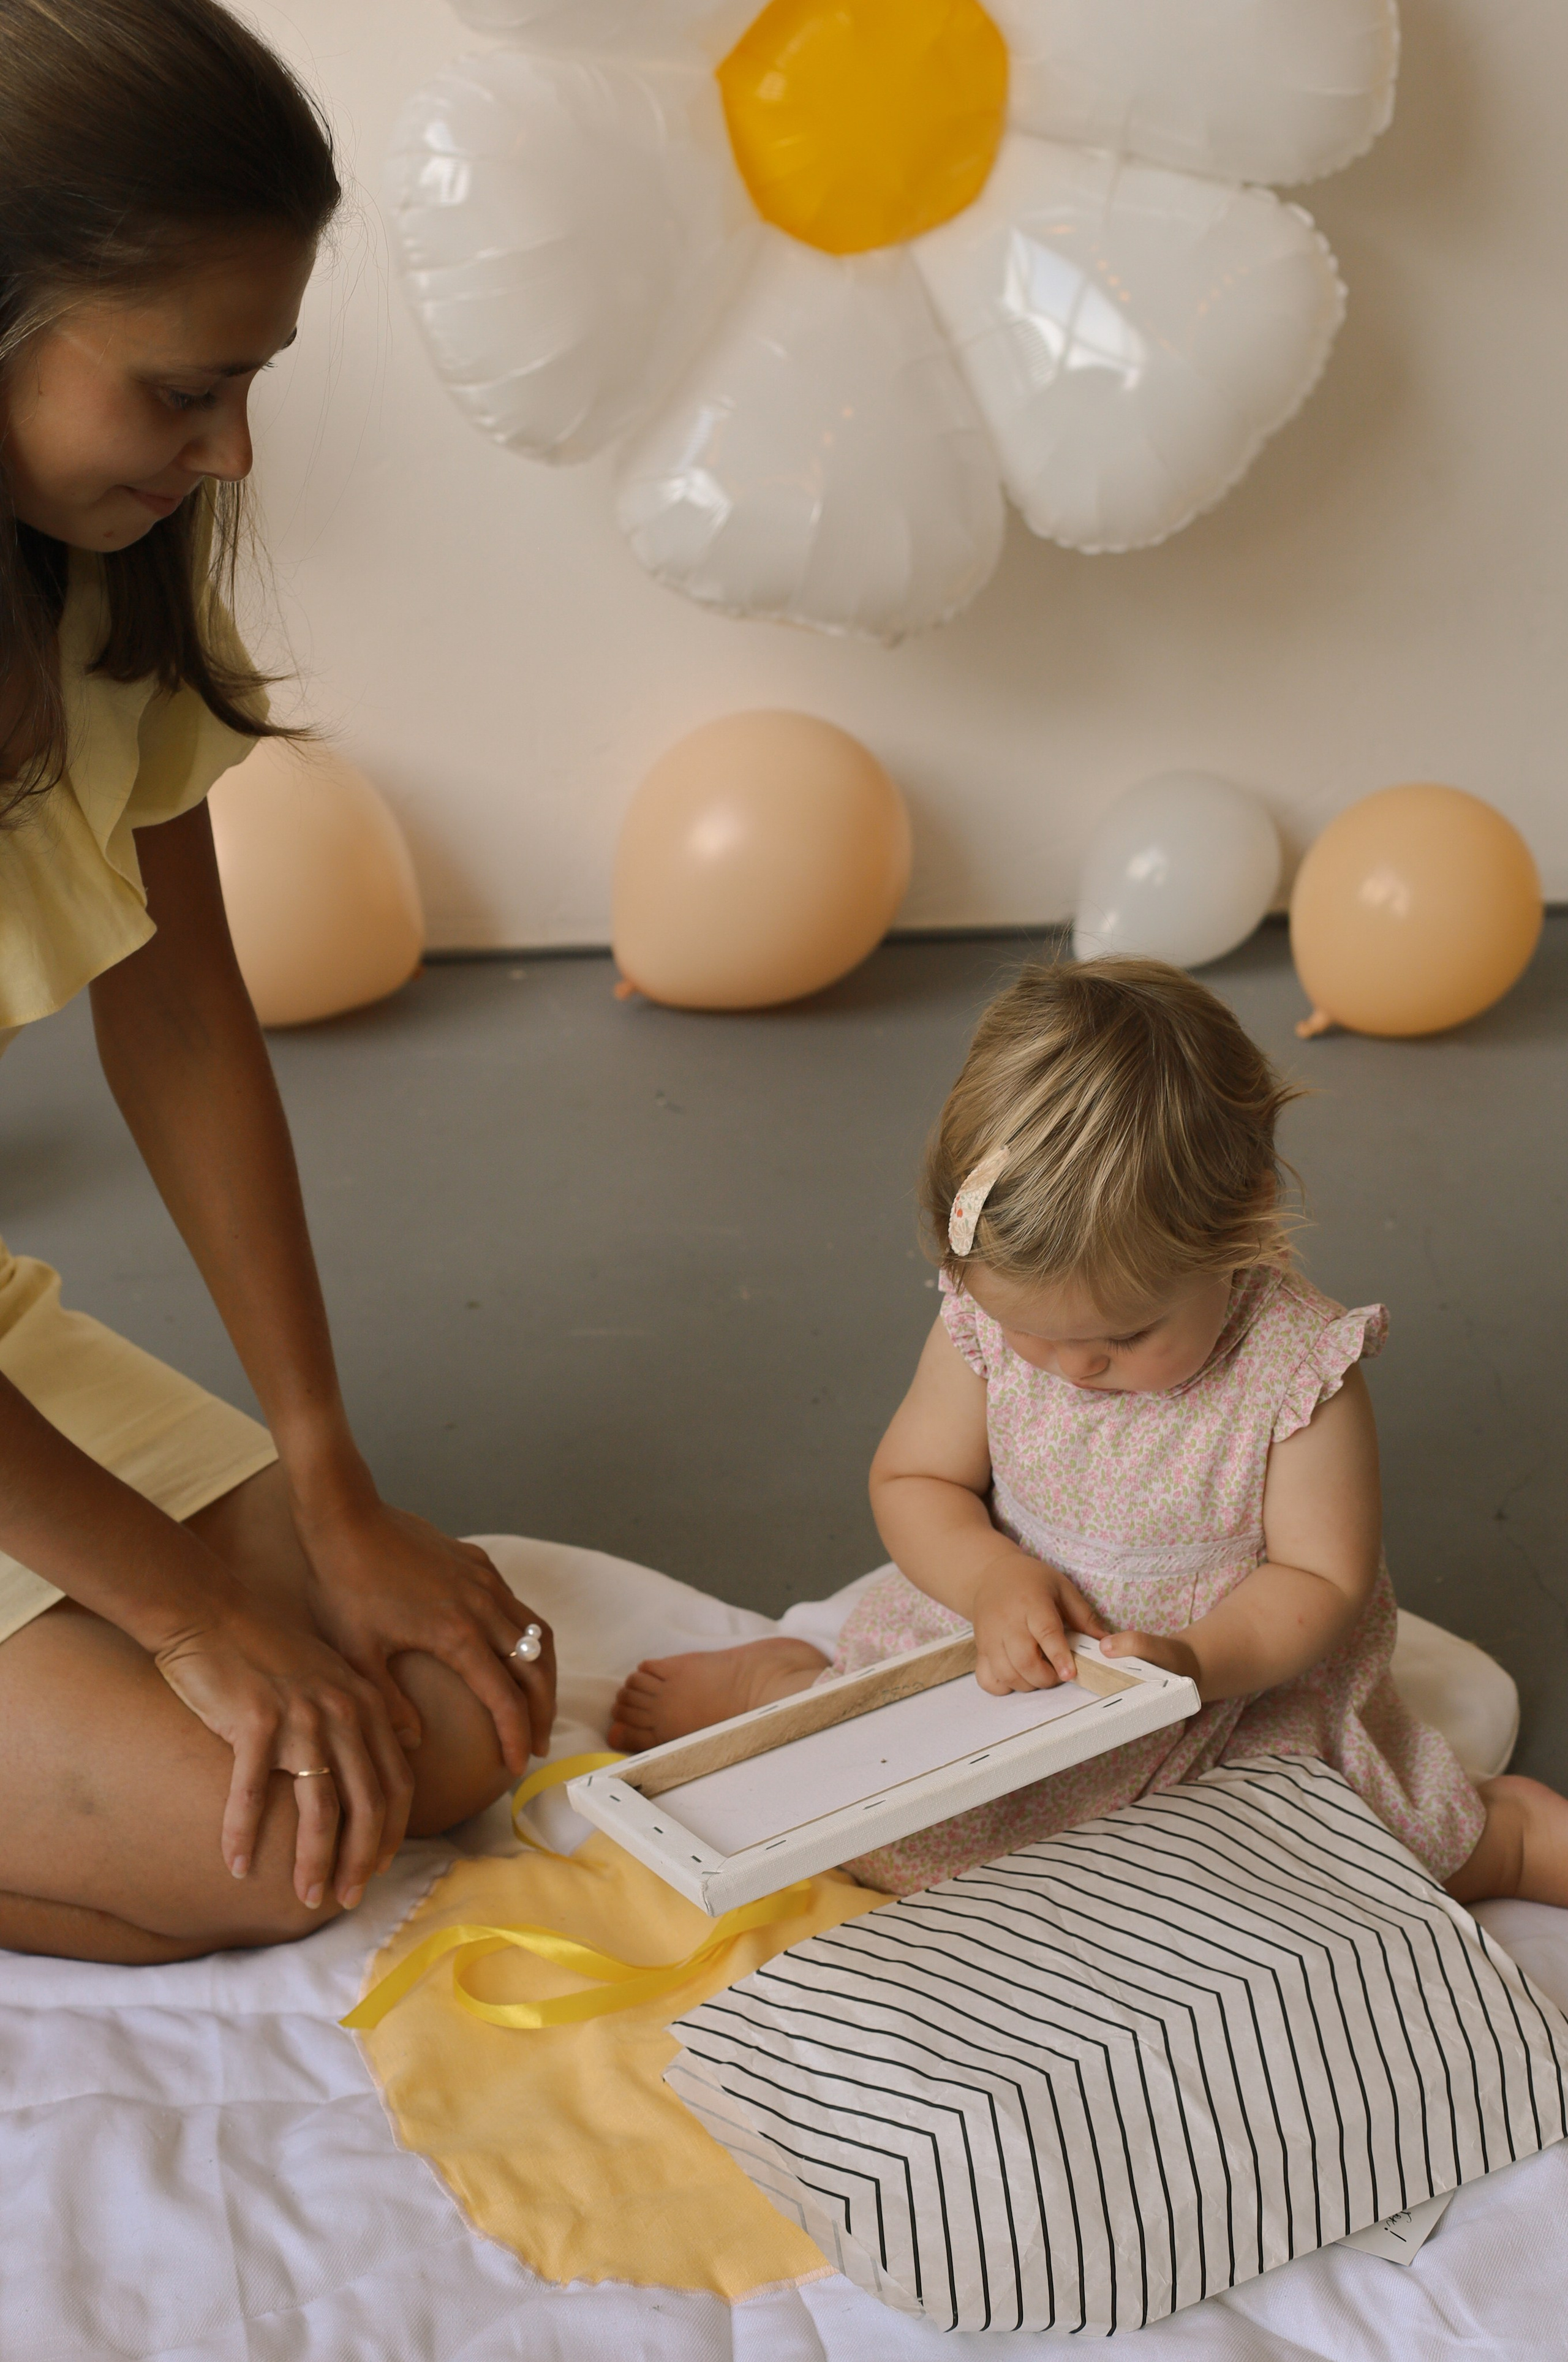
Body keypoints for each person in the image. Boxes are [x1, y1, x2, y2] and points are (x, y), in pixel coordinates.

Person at [0, 0, 555, 1965]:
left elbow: (181, 1009)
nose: (235, 449)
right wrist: (176, 1611)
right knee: (262, 1854)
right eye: (182, 391)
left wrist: (326, 1480)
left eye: (257, 380)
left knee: (445, 1737)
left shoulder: (105, 572)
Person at [612, 956, 1568, 1905]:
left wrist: (1196, 1662)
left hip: (1221, 1696)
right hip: (1008, 1662)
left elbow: (1321, 1581)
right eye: (1038, 1332)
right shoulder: (990, 1321)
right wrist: (991, 1579)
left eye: (1127, 1335)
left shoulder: (1295, 1371)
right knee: (884, 1827)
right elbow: (916, 1482)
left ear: (1244, 1231)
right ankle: (786, 1688)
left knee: (1312, 1878)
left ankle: (1510, 1841)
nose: (1073, 1366)